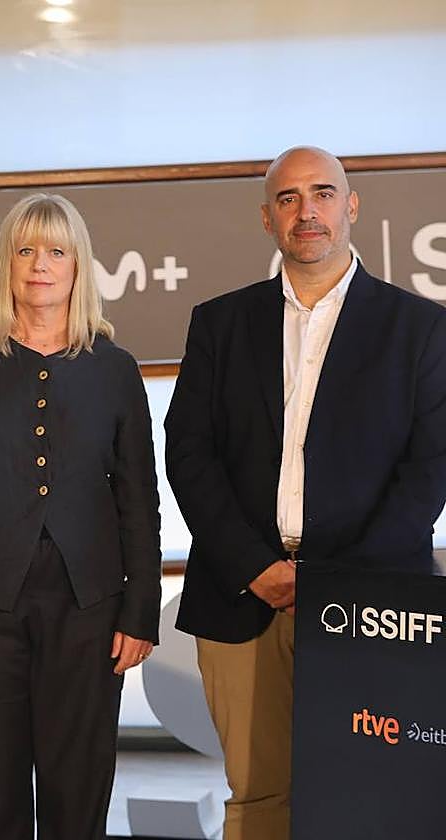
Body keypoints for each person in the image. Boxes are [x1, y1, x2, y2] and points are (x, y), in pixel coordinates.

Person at [166, 146, 446, 840]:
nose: (307, 210)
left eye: (323, 193)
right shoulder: (219, 323)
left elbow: (430, 469)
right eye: (289, 198)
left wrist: (332, 581)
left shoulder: (421, 328)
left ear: (351, 207)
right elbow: (188, 453)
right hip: (242, 597)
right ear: (268, 218)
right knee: (257, 799)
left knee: (371, 794)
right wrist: (255, 566)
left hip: (371, 604)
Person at [0, 193, 162, 840]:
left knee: (76, 784)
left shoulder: (115, 371)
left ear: (78, 265)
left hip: (89, 606)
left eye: (56, 251)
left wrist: (139, 609)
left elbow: (139, 498)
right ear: (5, 263)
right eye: (26, 249)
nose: (40, 264)